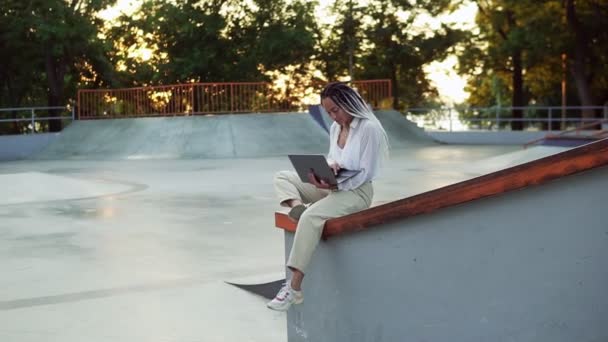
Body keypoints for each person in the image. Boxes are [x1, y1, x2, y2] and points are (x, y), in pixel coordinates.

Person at [267, 82, 390, 311]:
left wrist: (335, 183)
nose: (333, 116)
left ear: (348, 103)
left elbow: (366, 172)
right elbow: (335, 159)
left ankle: (293, 289)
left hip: (356, 192)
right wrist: (326, 171)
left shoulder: (369, 129)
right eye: (328, 112)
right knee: (283, 177)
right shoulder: (335, 129)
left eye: (336, 110)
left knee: (311, 219)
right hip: (332, 186)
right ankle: (297, 207)